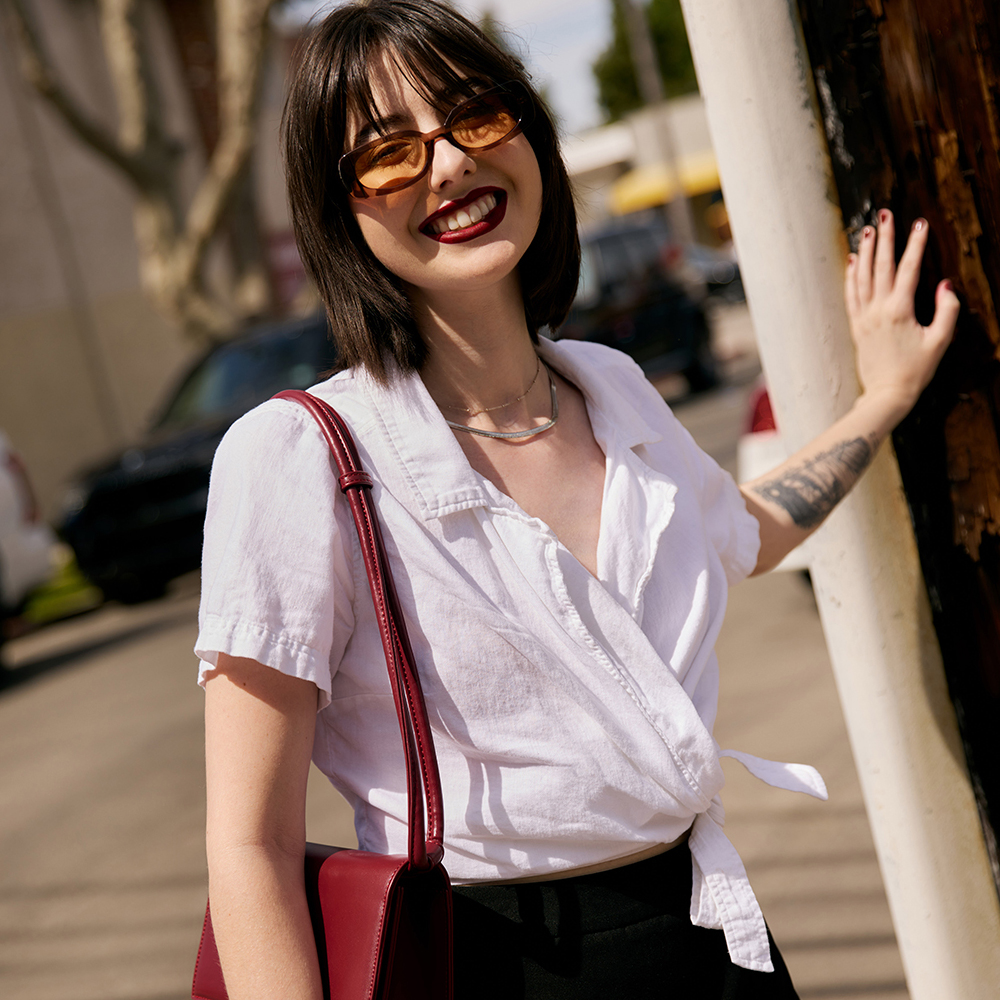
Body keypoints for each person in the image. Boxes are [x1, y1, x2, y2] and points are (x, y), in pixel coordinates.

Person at [197, 2, 959, 997]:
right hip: (498, 958)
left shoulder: (609, 386)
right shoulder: (297, 454)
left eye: (474, 118)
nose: (447, 166)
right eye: (388, 154)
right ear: (338, 208)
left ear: (527, 133)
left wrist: (884, 397)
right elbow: (251, 845)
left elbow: (744, 529)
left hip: (714, 933)